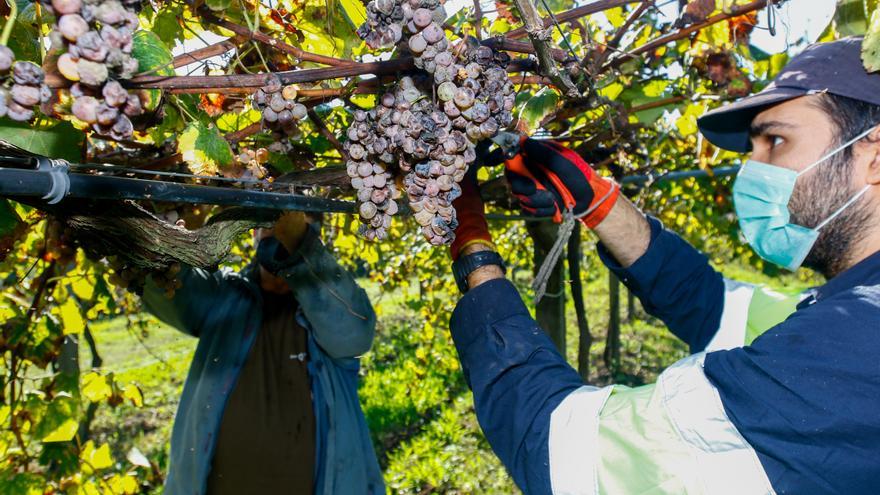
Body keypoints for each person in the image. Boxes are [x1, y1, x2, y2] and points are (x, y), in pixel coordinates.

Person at [446, 36, 880, 494]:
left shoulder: (852, 347)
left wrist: (473, 246)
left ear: (874, 156)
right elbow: (712, 306)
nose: (751, 170)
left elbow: (566, 450)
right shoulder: (852, 312)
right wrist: (596, 200)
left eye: (775, 140)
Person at [141, 211, 384, 495]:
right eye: (264, 225)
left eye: (284, 223)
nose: (273, 229)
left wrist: (300, 247)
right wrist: (160, 248)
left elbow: (355, 334)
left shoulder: (329, 303)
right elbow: (169, 291)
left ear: (312, 234)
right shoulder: (225, 295)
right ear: (253, 234)